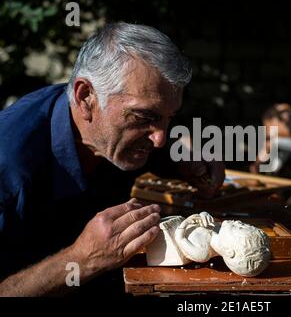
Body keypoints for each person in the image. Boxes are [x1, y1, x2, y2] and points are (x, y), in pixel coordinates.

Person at [0, 23, 225, 296]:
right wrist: (82, 260)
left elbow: (163, 144)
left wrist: (183, 161)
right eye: (144, 118)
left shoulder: (109, 120)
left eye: (169, 119)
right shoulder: (9, 166)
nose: (160, 139)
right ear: (86, 98)